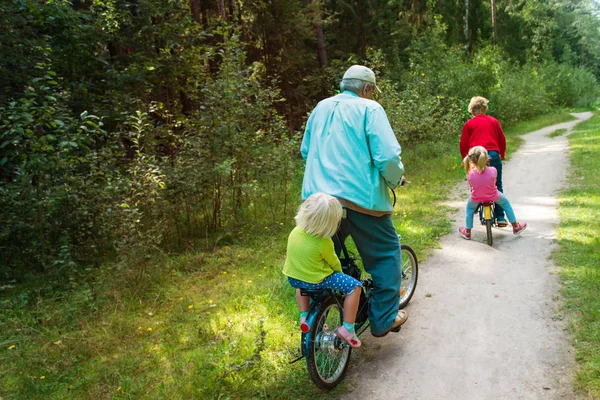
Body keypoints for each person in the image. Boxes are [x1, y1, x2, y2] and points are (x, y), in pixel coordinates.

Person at [300, 64, 408, 338]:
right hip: (360, 203)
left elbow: (305, 150)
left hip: (318, 205)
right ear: (367, 89)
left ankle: (317, 319)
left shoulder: (320, 107)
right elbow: (387, 158)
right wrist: (396, 180)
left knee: (319, 263)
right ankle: (384, 319)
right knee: (385, 255)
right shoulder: (370, 109)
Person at [283, 193, 363, 348]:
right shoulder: (323, 242)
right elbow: (333, 262)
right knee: (355, 287)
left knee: (301, 284)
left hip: (294, 278)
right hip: (316, 280)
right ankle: (347, 328)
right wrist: (340, 273)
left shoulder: (295, 232)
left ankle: (304, 315)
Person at [458, 146, 527, 240]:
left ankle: (467, 231)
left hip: (476, 198)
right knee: (506, 204)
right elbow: (494, 183)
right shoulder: (493, 170)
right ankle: (516, 227)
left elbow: (471, 186)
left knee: (469, 209)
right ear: (486, 158)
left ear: (471, 160)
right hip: (494, 196)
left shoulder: (469, 173)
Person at [460, 96, 509, 227]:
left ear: (471, 111)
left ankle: (475, 203)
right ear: (485, 109)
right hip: (493, 154)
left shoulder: (469, 124)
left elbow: (464, 144)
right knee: (497, 185)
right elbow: (502, 139)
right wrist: (502, 154)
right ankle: (500, 217)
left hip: (475, 156)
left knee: (474, 180)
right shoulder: (493, 121)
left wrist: (465, 159)